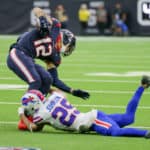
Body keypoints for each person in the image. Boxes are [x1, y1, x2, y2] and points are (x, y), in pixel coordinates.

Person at [18, 75, 150, 138]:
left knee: (116, 132)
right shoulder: (56, 96)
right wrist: (47, 89)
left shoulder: (41, 116)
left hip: (91, 121)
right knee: (128, 118)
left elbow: (33, 128)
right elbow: (57, 92)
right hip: (92, 116)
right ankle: (142, 86)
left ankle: (145, 133)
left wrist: (22, 114)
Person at [7, 7, 90, 99]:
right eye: (70, 46)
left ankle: (38, 108)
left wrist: (72, 91)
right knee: (36, 81)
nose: (68, 50)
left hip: (28, 58)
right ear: (66, 40)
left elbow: (54, 80)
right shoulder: (54, 28)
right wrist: (43, 22)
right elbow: (37, 10)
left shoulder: (54, 56)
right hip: (18, 53)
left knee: (47, 79)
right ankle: (25, 110)